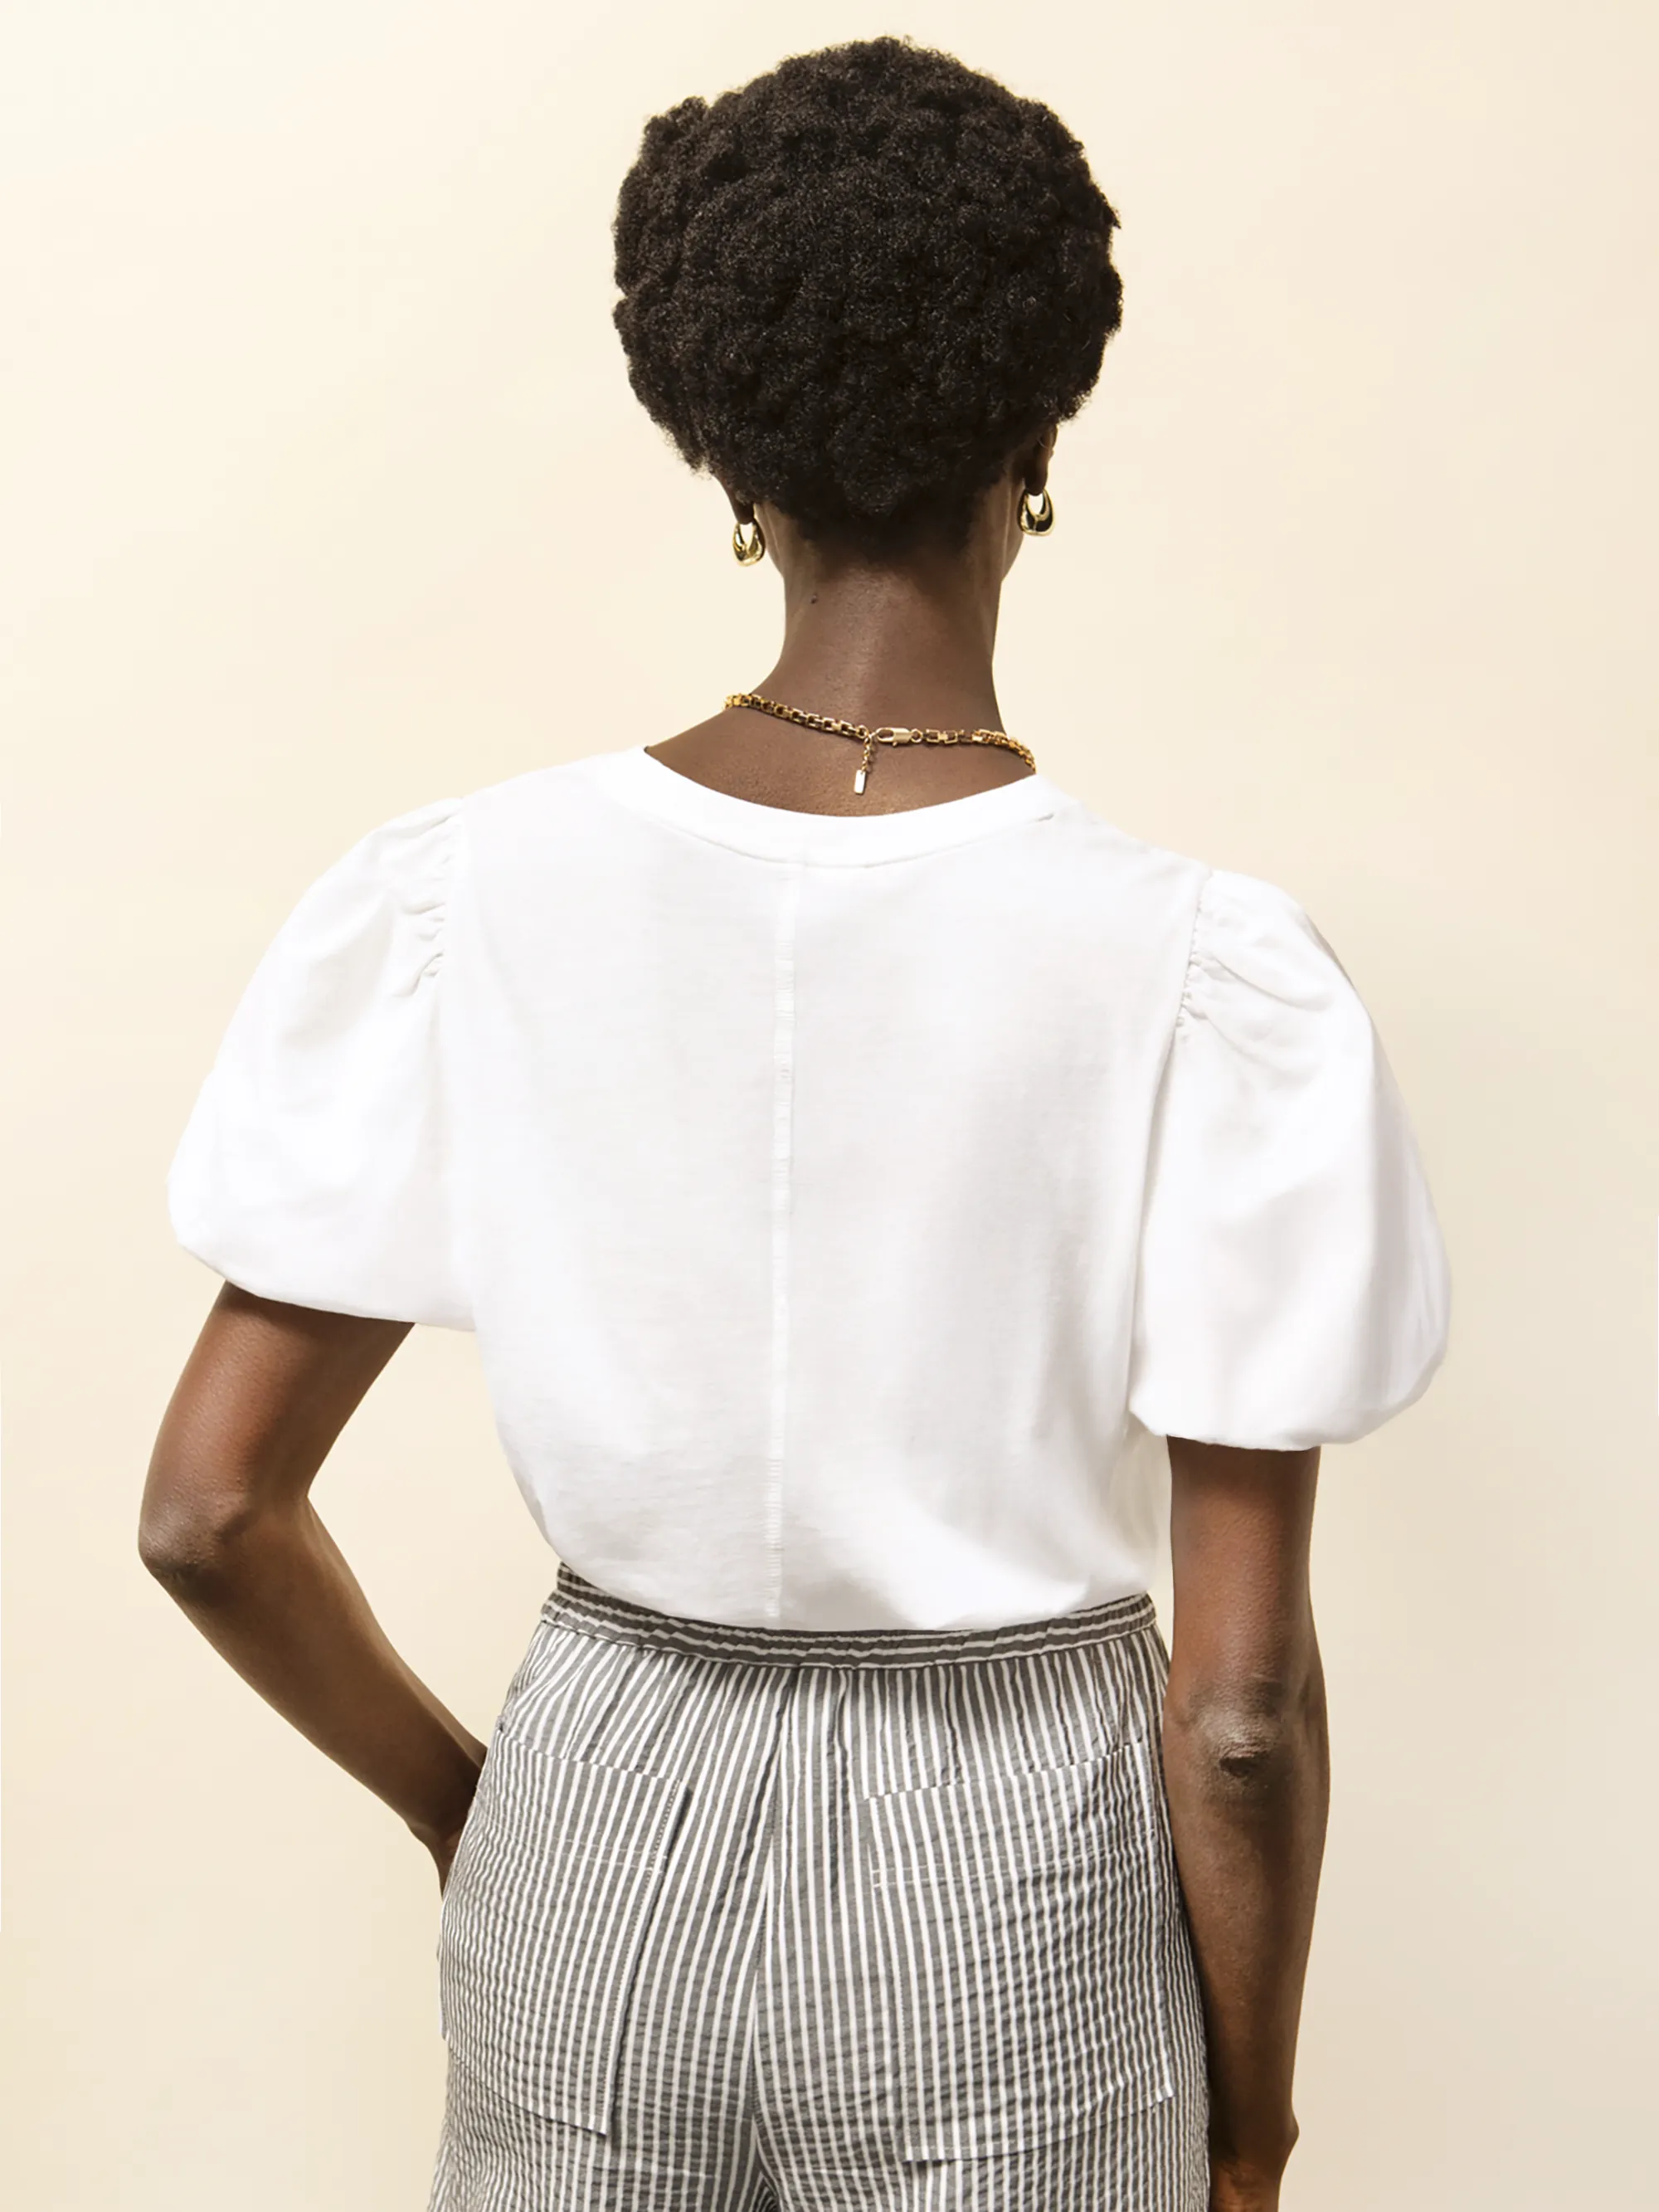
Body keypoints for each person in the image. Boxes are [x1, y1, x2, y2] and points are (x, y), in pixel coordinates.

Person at [140, 36, 1449, 2212]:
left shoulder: (459, 898)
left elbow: (208, 1513)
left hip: (597, 1802)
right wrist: (1249, 2130)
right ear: (1037, 444)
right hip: (1010, 1856)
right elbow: (1236, 1715)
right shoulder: (1202, 972)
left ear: (727, 457)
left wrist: (485, 1816)